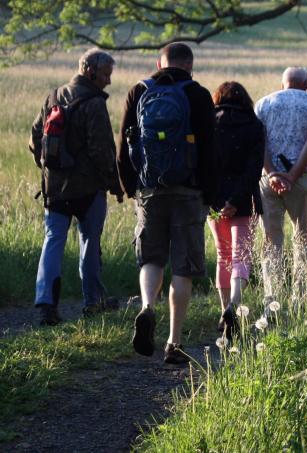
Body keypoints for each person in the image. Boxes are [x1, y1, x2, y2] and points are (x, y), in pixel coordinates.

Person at [117, 43, 216, 364]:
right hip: (189, 191)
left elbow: (124, 144)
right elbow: (210, 148)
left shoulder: (139, 91)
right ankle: (174, 342)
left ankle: (147, 307)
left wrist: (132, 186)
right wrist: (209, 193)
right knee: (183, 267)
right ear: (190, 65)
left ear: (159, 63)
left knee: (151, 258)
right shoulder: (198, 94)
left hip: (149, 188)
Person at [29, 48, 122, 325]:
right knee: (90, 243)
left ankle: (46, 304)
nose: (108, 81)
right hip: (88, 189)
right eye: (105, 75)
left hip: (55, 187)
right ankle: (93, 303)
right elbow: (103, 151)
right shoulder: (94, 103)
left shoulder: (53, 96)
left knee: (53, 241)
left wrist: (47, 167)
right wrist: (115, 185)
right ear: (89, 71)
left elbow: (35, 137)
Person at [255, 67, 307, 312]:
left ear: (283, 83)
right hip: (300, 179)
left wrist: (272, 173)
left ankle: (271, 300)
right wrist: (293, 176)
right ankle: (301, 300)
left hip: (267, 180)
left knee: (271, 241)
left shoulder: (263, 103)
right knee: (303, 237)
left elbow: (258, 142)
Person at [208, 81, 265, 339]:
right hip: (244, 201)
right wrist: (236, 199)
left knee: (223, 255)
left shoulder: (209, 123)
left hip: (214, 201)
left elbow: (204, 166)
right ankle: (233, 305)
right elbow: (254, 171)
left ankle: (224, 310)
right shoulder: (254, 126)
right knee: (241, 256)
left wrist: (219, 201)